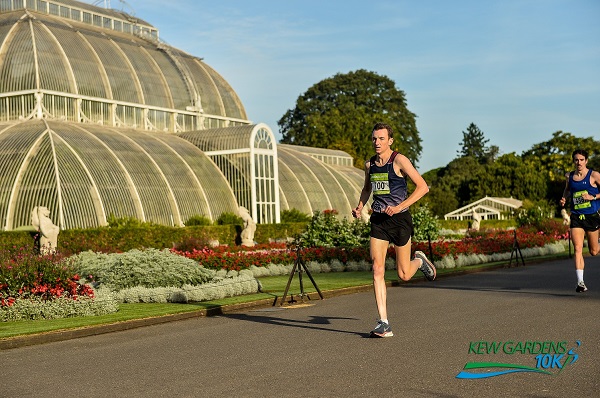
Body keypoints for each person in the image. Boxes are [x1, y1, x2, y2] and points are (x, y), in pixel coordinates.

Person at [352, 122, 436, 338]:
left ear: (390, 140)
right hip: (379, 221)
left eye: (381, 139)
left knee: (404, 274)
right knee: (377, 269)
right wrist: (360, 206)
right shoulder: (370, 165)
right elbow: (367, 188)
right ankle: (384, 322)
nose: (377, 142)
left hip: (399, 220)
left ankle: (419, 261)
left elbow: (423, 187)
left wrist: (399, 206)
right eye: (374, 139)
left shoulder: (399, 160)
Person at [560, 149, 600, 293]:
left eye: (582, 159)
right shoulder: (569, 176)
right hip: (576, 216)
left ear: (586, 161)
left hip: (592, 217)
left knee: (594, 251)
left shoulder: (594, 175)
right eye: (576, 160)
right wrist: (564, 198)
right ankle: (580, 282)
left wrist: (593, 197)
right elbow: (567, 190)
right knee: (577, 248)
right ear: (573, 161)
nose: (579, 162)